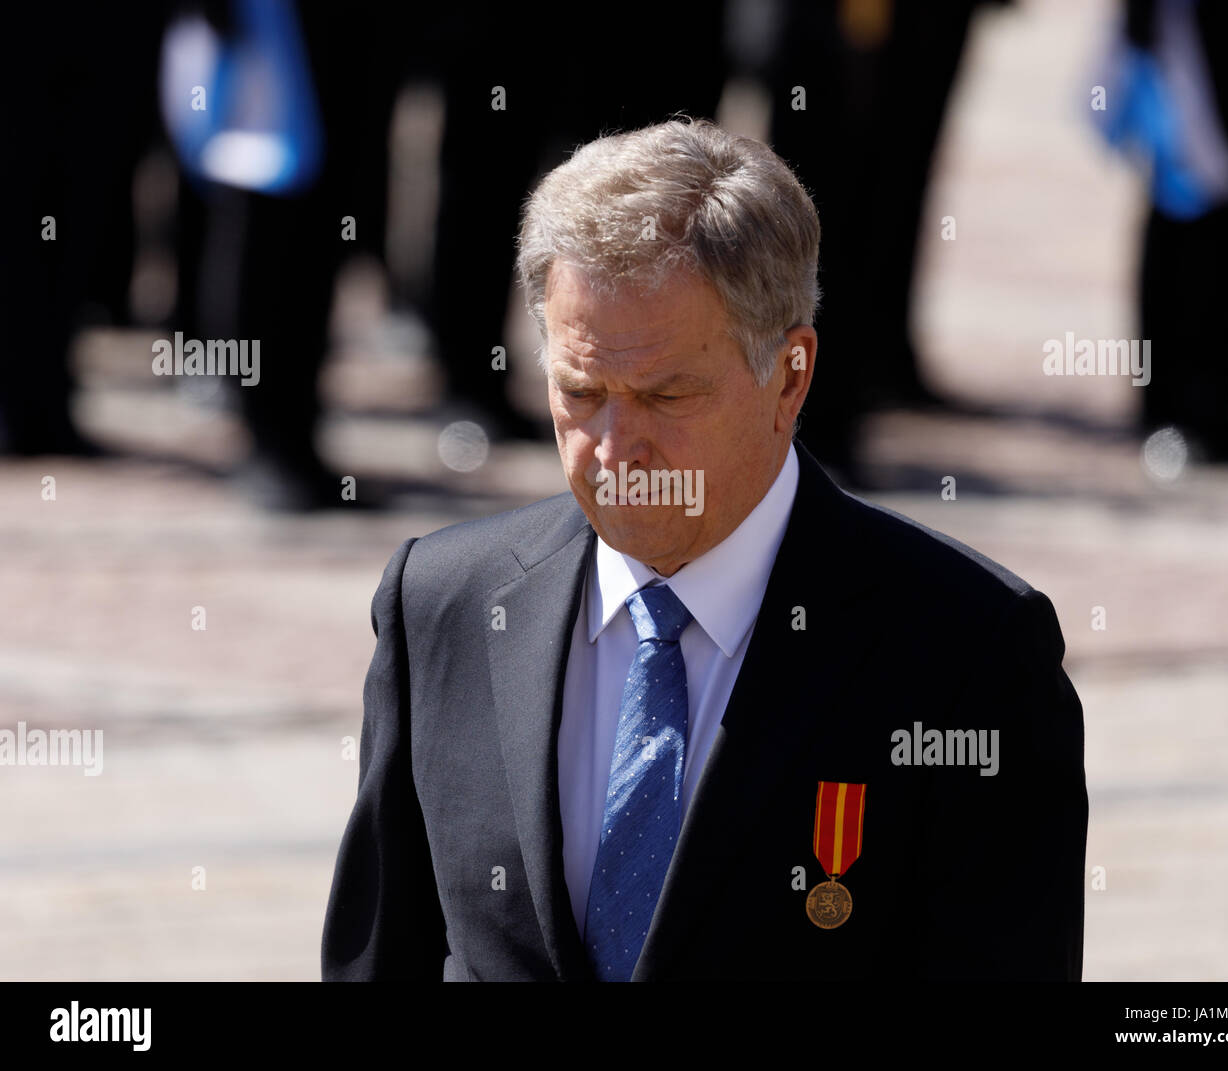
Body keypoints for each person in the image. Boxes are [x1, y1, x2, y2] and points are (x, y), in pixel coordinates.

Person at [321, 118, 1088, 981]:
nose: (615, 447)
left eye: (667, 394)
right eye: (581, 390)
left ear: (790, 376)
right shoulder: (442, 605)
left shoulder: (968, 653)